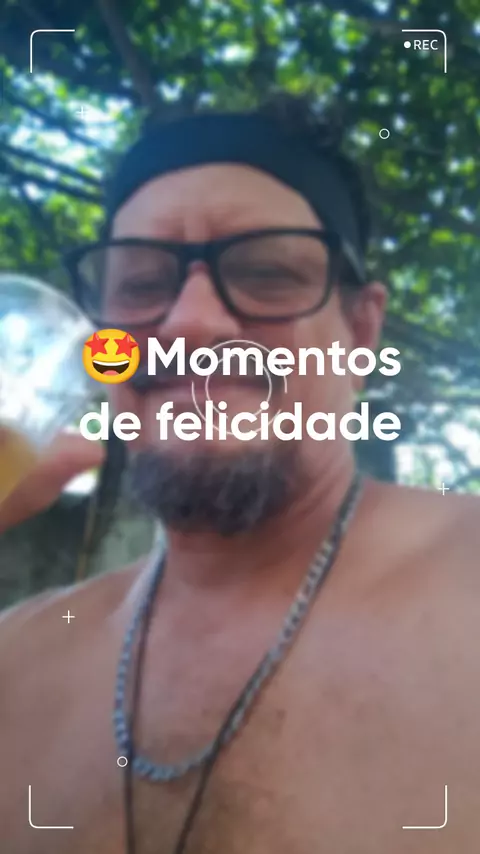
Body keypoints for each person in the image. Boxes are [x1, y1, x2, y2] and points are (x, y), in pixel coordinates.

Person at [1, 94, 479, 854]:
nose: (191, 324)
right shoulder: (19, 655)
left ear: (360, 332)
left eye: (267, 273)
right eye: (141, 285)